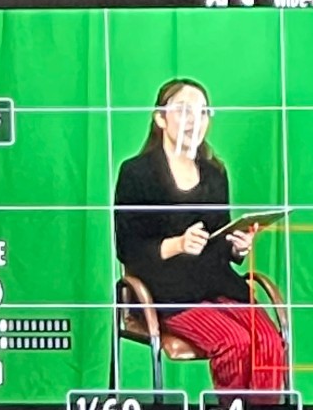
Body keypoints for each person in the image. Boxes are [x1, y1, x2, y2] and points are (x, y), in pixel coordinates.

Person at [113, 79, 287, 393]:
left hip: (216, 283)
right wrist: (177, 244)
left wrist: (238, 248)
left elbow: (221, 239)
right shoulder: (136, 173)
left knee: (268, 340)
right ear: (160, 118)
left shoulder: (215, 174)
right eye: (184, 111)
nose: (195, 120)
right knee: (234, 341)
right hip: (163, 292)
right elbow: (128, 248)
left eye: (203, 112)